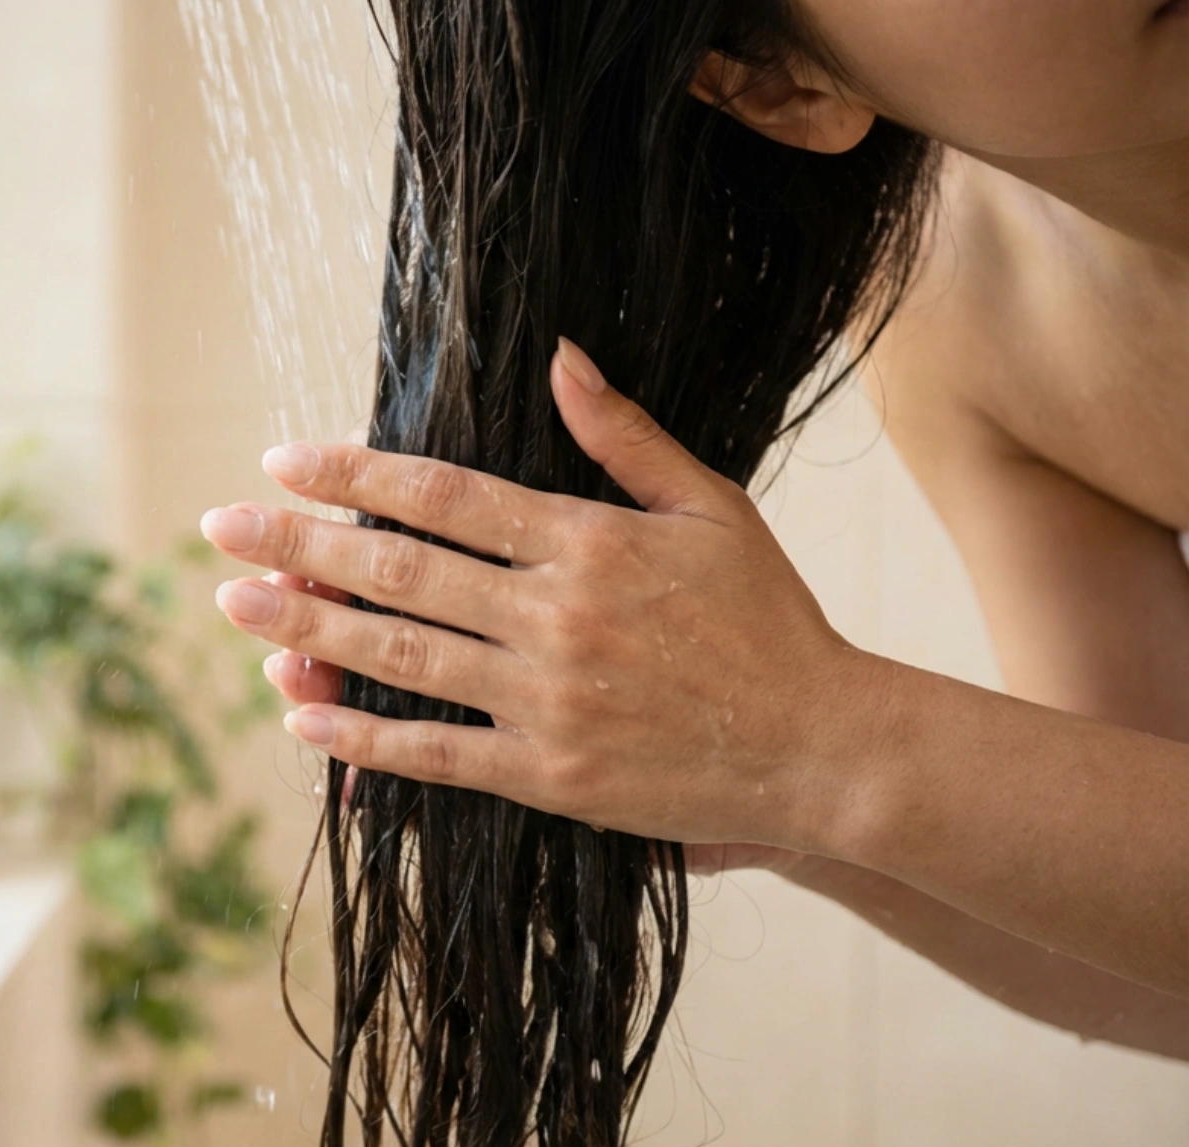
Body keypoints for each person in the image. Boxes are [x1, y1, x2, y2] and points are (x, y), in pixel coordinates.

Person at [200, 0, 1189, 1060]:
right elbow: (1149, 948)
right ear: (779, 83)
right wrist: (782, 798)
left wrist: (827, 740)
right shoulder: (980, 308)